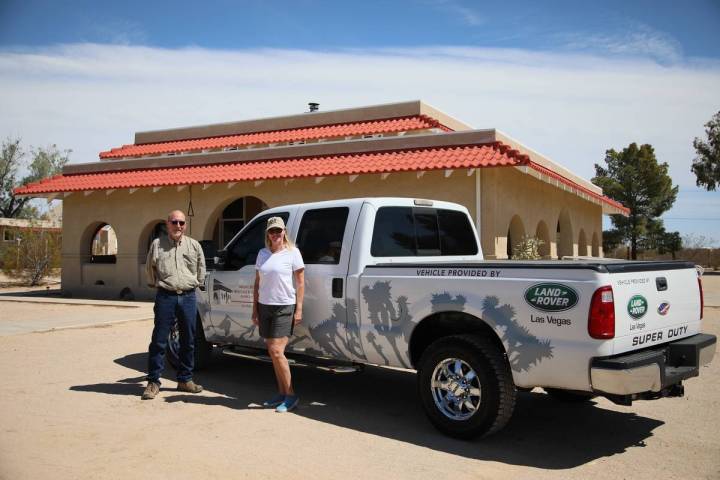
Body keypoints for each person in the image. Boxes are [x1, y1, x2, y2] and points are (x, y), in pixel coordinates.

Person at [142, 210, 206, 400]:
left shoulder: (194, 245)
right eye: (174, 222)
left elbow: (201, 268)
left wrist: (197, 283)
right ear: (167, 224)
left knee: (189, 340)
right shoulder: (157, 244)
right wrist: (158, 286)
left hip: (188, 297)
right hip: (166, 297)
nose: (178, 226)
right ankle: (153, 382)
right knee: (159, 341)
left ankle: (185, 380)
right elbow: (149, 268)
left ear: (185, 225)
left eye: (181, 223)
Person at [252, 216, 305, 413]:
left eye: (278, 231)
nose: (275, 234)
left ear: (284, 232)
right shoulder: (262, 253)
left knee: (276, 351)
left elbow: (300, 282)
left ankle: (291, 395)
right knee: (272, 353)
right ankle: (281, 393)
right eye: (272, 231)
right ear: (268, 234)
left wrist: (299, 309)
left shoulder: (293, 253)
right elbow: (257, 283)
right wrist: (255, 309)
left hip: (284, 306)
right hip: (265, 306)